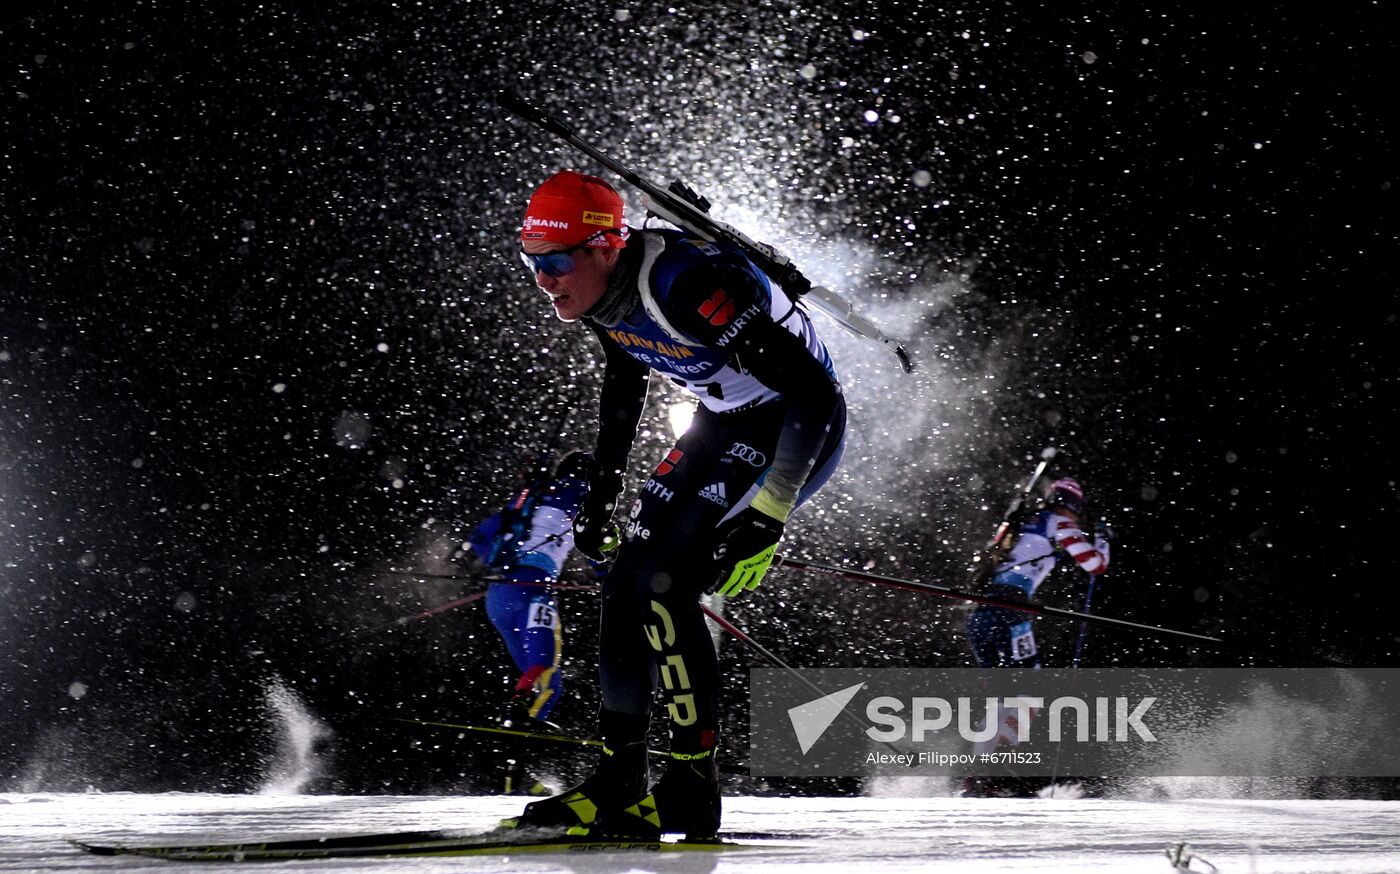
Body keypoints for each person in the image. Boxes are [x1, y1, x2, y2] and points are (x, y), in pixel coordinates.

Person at [505, 169, 846, 840]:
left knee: (666, 586)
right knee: (624, 581)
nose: (543, 278)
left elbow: (814, 393)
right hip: (723, 419)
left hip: (791, 426)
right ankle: (619, 781)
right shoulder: (599, 291)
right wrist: (602, 493)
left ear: (605, 247)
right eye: (530, 261)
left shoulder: (686, 285)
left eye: (554, 260)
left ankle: (690, 785)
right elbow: (626, 380)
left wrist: (771, 510)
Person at [962, 476, 1110, 796]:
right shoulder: (1058, 523)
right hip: (1010, 609)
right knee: (1030, 692)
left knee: (1002, 696)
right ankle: (997, 772)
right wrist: (1103, 541)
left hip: (980, 612)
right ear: (1072, 508)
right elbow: (1094, 564)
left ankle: (978, 777)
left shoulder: (1020, 522)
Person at [467, 449, 592, 793]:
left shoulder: (530, 496)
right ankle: (514, 760)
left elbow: (480, 536)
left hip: (500, 597)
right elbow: (597, 541)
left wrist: (505, 568)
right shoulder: (581, 493)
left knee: (539, 682)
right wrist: (609, 573)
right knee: (546, 676)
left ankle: (514, 771)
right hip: (535, 592)